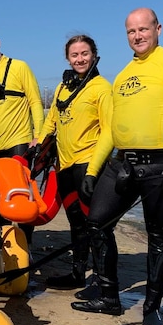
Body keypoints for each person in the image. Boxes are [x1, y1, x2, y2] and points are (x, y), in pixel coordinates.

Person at [72, 8, 163, 325]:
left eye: (144, 29)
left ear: (158, 28)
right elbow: (111, 131)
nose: (138, 36)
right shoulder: (124, 74)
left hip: (161, 166)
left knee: (158, 235)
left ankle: (152, 307)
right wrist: (92, 172)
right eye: (131, 31)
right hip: (123, 163)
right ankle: (110, 296)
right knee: (96, 223)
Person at [37, 35, 112, 290]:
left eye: (84, 54)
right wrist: (39, 145)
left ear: (94, 55)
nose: (79, 59)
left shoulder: (101, 88)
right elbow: (52, 121)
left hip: (88, 165)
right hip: (65, 167)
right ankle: (78, 275)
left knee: (96, 226)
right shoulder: (63, 87)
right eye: (74, 55)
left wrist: (93, 172)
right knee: (76, 223)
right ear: (68, 58)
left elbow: (109, 131)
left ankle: (103, 284)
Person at [0, 29, 44, 243]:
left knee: (23, 193)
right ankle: (6, 241)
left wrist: (38, 135)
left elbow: (35, 102)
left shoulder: (19, 67)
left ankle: (26, 243)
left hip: (20, 141)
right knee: (1, 196)